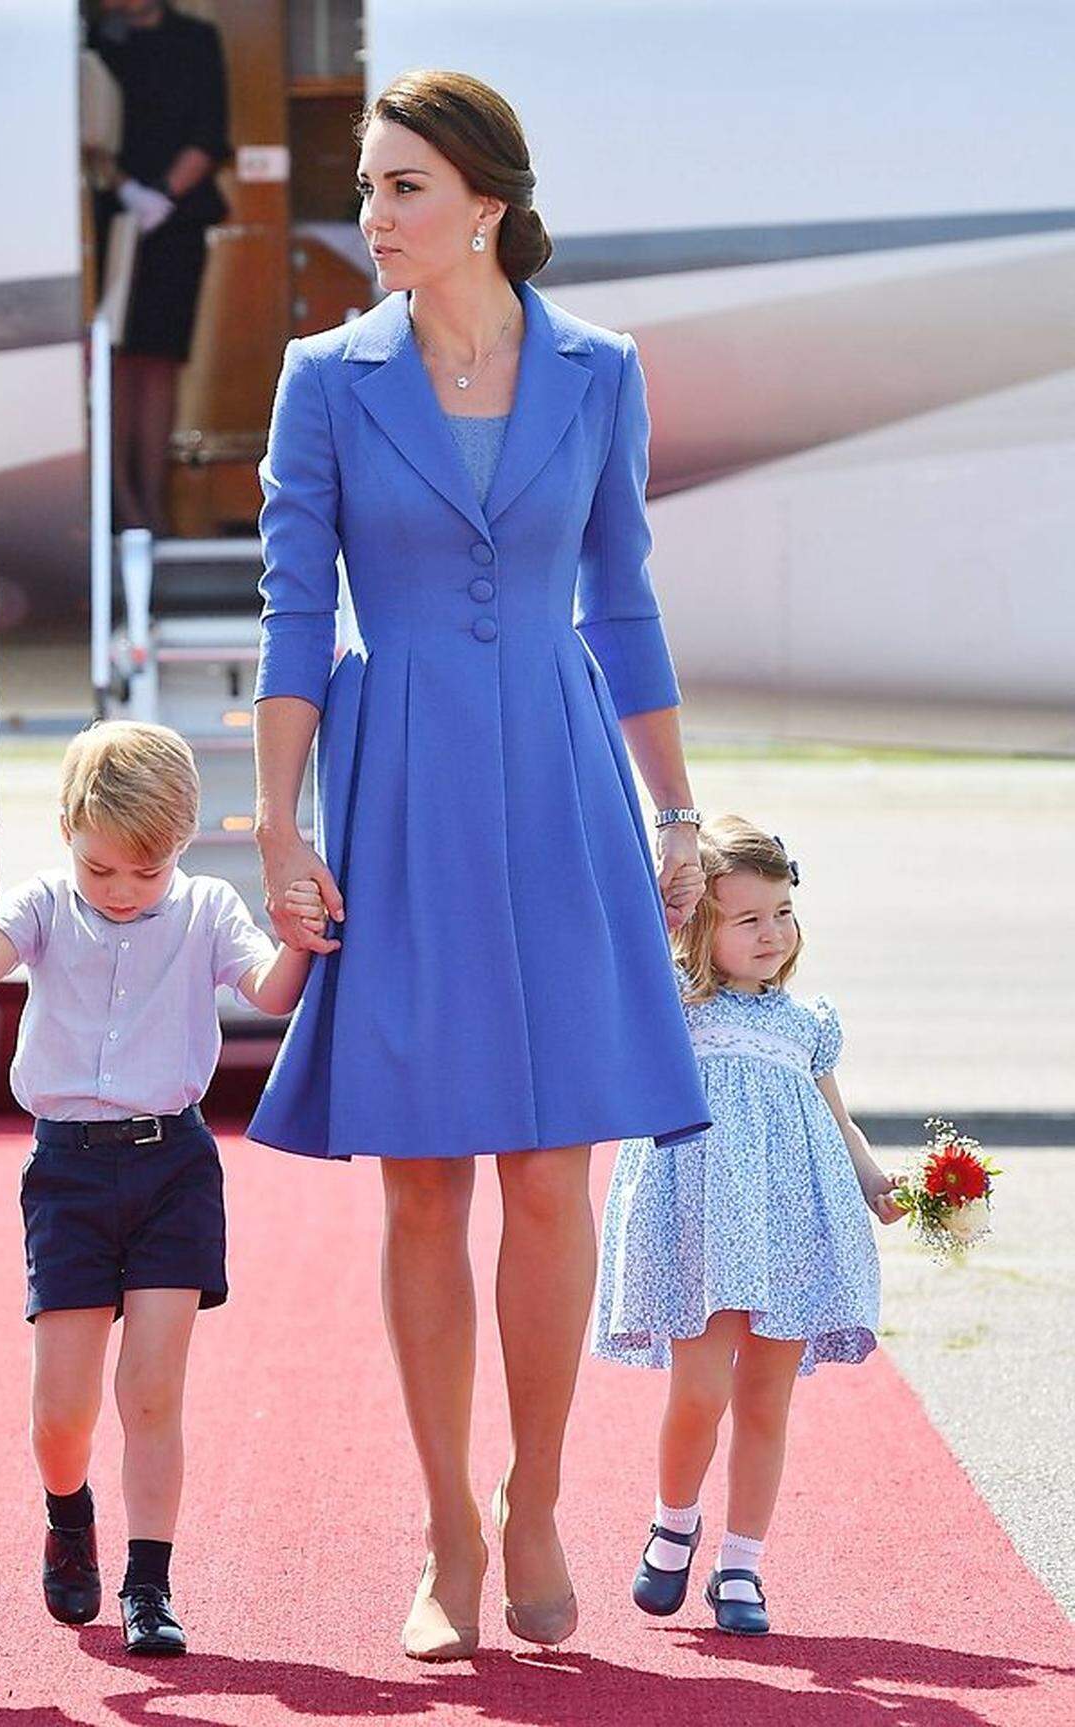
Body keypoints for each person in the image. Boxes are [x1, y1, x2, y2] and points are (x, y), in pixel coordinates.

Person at [248, 69, 710, 1660]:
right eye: (369, 187)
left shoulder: (600, 370)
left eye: (401, 190)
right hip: (408, 794)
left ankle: (537, 1494)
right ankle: (447, 1512)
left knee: (552, 1168)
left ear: (486, 206)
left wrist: (676, 809)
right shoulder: (324, 376)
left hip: (568, 785)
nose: (371, 217)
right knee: (428, 1174)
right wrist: (282, 820)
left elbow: (627, 600)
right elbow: (294, 611)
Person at [0, 720, 328, 1657]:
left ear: (181, 847)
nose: (120, 892)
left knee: (152, 1389)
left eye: (145, 874)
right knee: (61, 1412)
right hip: (66, 1172)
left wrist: (300, 936)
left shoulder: (204, 908)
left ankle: (150, 1584)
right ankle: (70, 1512)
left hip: (173, 1168)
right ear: (68, 830)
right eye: (101, 870)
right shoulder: (41, 906)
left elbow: (270, 990)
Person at [592, 816, 904, 1636]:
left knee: (766, 1400)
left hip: (792, 1227)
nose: (774, 933)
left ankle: (742, 1564)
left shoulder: (809, 1024)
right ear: (702, 926)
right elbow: (618, 959)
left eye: (783, 912)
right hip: (703, 1230)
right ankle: (673, 1522)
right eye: (748, 918)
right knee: (699, 1390)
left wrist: (873, 1178)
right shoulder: (676, 1008)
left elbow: (841, 1122)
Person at [88, 0, 230, 533]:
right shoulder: (95, 39)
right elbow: (86, 129)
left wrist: (163, 196)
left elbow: (211, 133)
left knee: (160, 360)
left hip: (174, 220)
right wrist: (126, 190)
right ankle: (122, 506)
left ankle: (154, 504)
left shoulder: (195, 38)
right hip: (107, 217)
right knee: (115, 359)